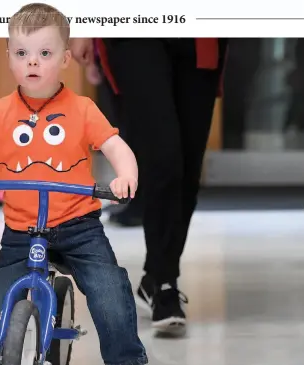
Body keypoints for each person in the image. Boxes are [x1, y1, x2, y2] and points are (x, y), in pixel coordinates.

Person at [0, 3, 164, 365]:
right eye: (21, 54)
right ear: (9, 57)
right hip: (21, 228)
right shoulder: (0, 112)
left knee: (108, 286)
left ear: (66, 59)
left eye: (45, 54)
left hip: (78, 226)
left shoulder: (82, 109)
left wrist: (126, 175)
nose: (32, 63)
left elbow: (116, 146)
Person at [70, 37, 228, 335]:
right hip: (135, 29)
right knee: (163, 159)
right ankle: (166, 286)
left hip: (201, 30)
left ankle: (155, 276)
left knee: (189, 165)